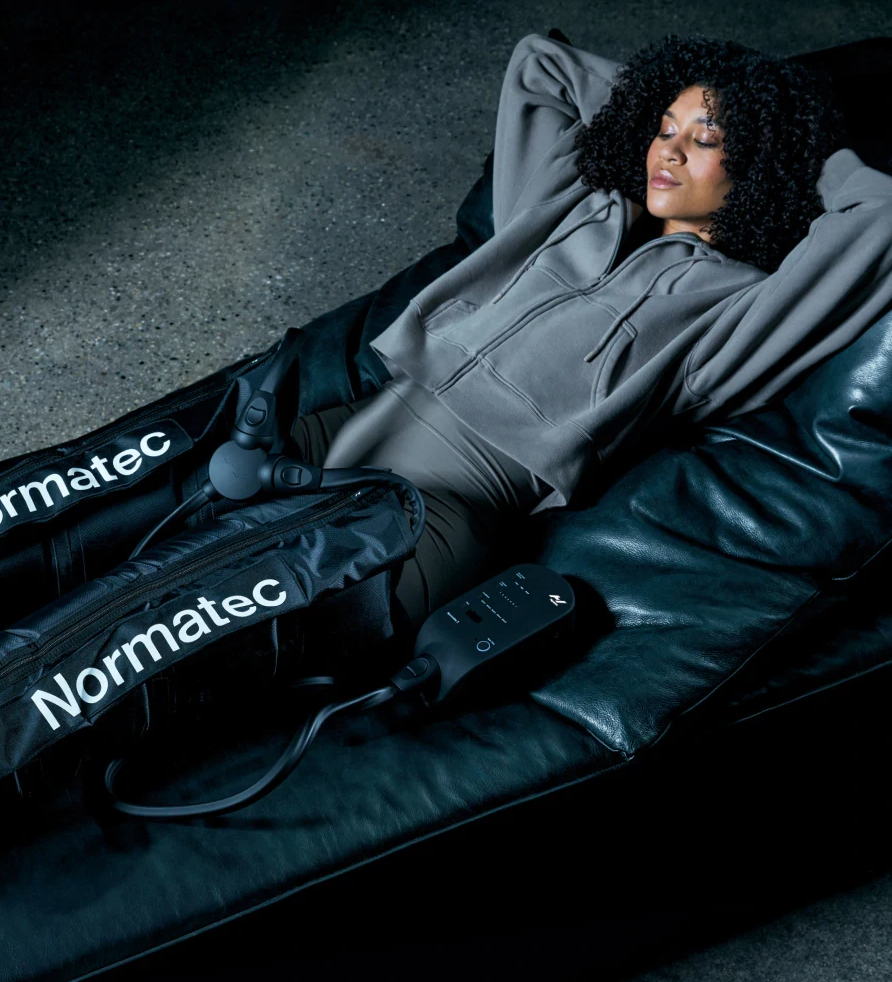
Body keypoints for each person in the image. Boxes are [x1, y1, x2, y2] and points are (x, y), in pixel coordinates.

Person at [288, 31, 892, 630]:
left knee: (291, 639)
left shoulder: (734, 310)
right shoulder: (571, 203)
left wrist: (793, 147)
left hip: (449, 507)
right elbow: (540, 65)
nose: (670, 152)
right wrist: (648, 104)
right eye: (663, 130)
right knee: (224, 515)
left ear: (759, 167)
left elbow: (880, 218)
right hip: (358, 420)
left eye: (706, 140)